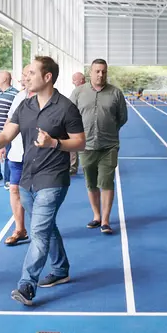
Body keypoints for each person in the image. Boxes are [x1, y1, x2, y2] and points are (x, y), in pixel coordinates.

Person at [0, 56, 86, 306]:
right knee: (46, 227)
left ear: (47, 77)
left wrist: (54, 143)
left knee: (38, 230)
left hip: (53, 178)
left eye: (31, 73)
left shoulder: (66, 107)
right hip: (27, 178)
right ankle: (60, 269)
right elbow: (7, 133)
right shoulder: (25, 106)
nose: (26, 77)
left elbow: (80, 141)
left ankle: (27, 284)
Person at [70, 58, 128, 235]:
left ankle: (105, 220)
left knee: (107, 182)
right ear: (90, 72)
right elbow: (70, 116)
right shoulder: (78, 92)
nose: (100, 74)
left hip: (109, 146)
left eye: (103, 71)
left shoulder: (116, 93)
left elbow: (122, 118)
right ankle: (96, 215)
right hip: (86, 145)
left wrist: (109, 130)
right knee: (91, 183)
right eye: (97, 71)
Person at [1, 67, 33, 246]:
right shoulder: (19, 97)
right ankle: (20, 229)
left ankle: (41, 228)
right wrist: (2, 144)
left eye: (28, 74)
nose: (24, 78)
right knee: (14, 189)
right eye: (23, 75)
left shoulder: (46, 98)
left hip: (38, 155)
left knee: (35, 193)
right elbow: (10, 120)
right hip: (17, 153)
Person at [0, 71, 19, 188]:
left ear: (5, 79)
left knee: (8, 154)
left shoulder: (15, 94)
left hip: (9, 130)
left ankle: (8, 178)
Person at [70, 72, 86, 175]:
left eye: (74, 79)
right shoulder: (76, 91)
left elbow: (70, 106)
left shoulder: (82, 91)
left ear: (81, 80)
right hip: (78, 121)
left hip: (83, 122)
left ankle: (74, 166)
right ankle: (74, 166)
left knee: (77, 144)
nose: (72, 82)